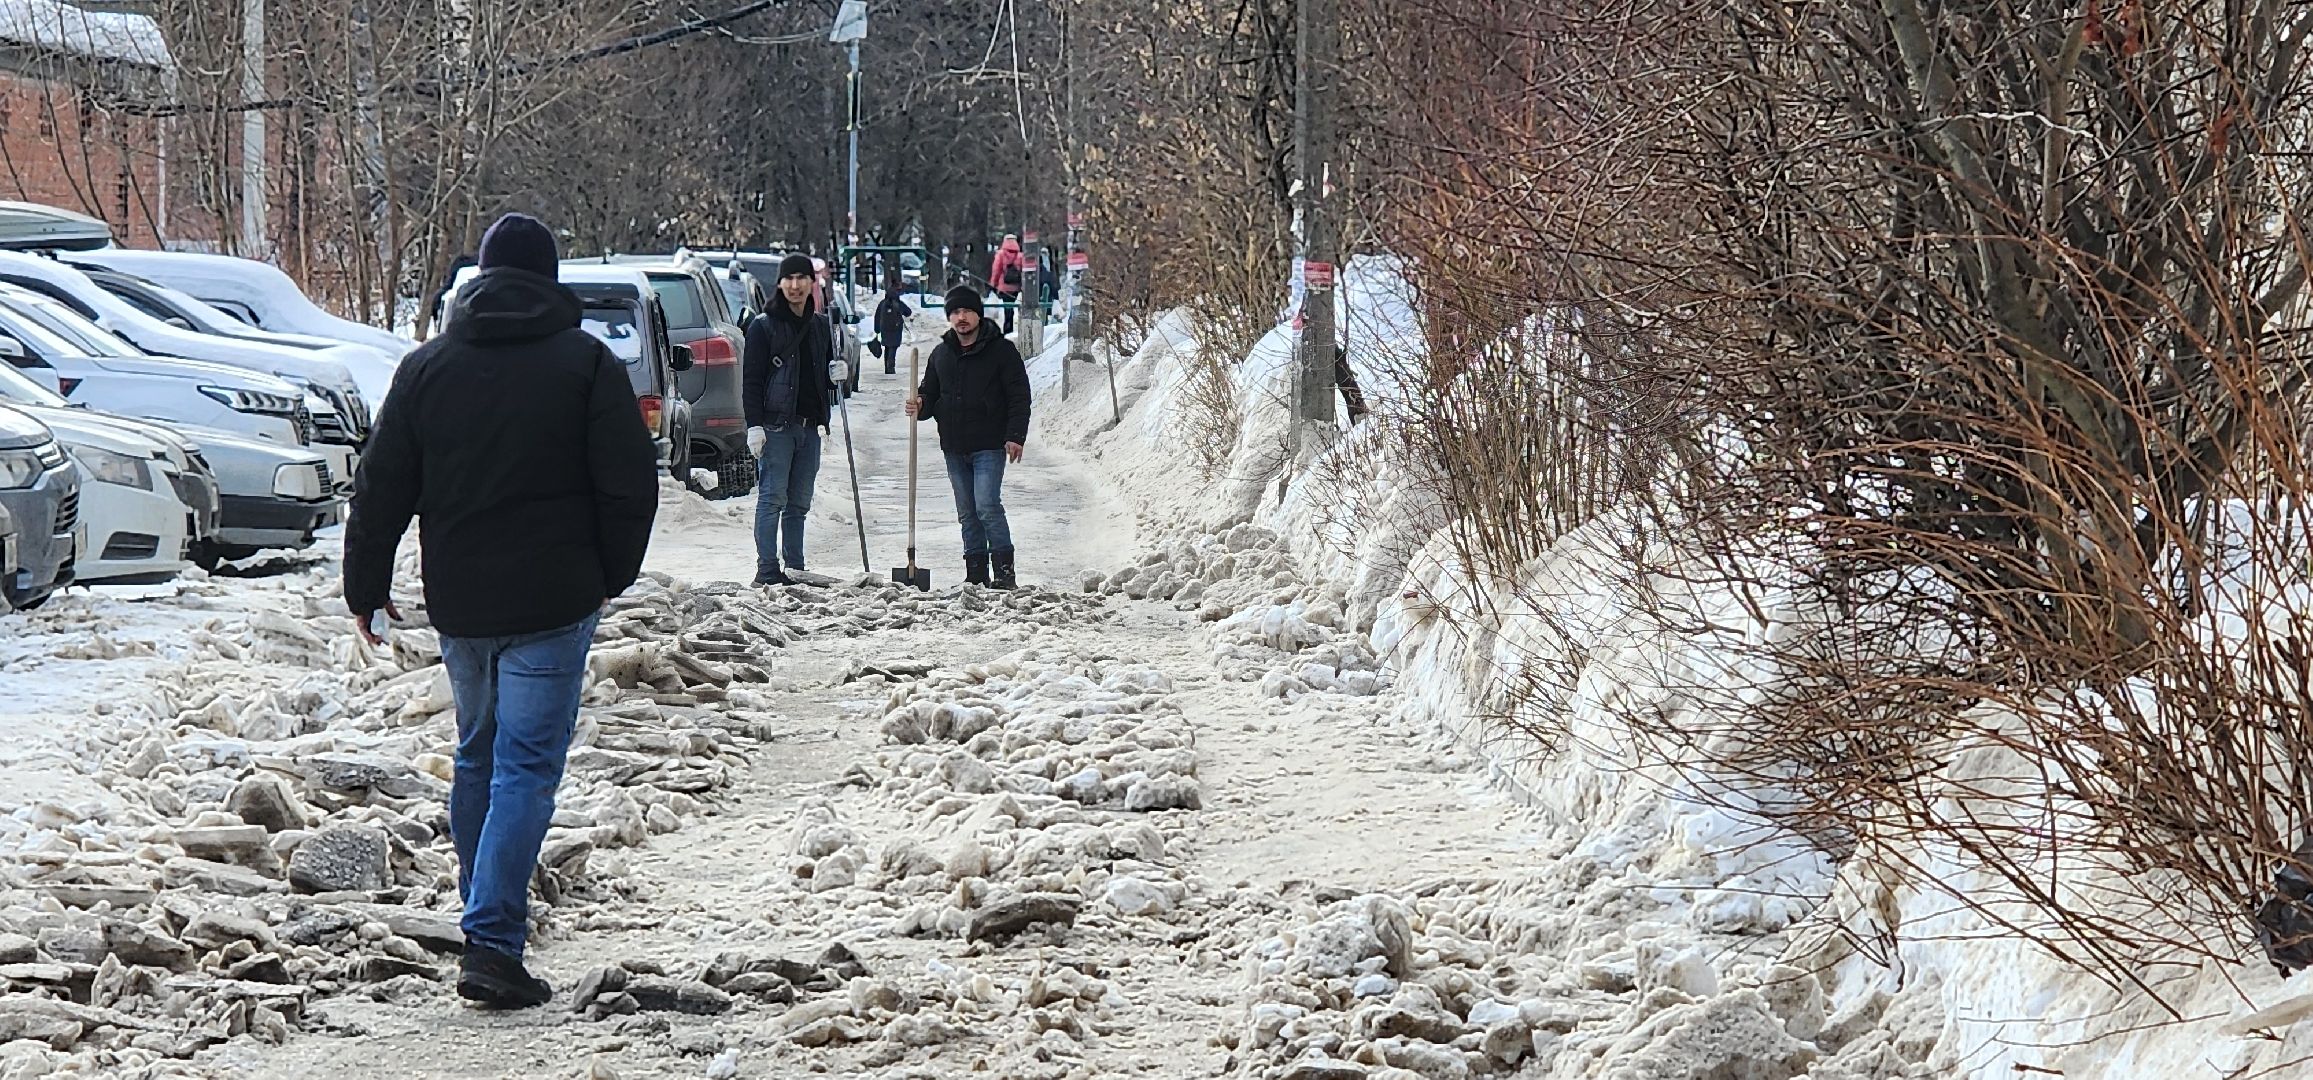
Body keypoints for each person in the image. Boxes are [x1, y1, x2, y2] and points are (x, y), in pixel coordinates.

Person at [343, 212, 659, 1009]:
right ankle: (490, 939)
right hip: (555, 600)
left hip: (462, 602)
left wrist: (365, 586)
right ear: (549, 280)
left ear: (479, 279)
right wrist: (607, 576)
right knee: (525, 766)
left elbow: (381, 490)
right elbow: (629, 482)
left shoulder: (427, 367)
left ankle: (484, 908)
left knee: (478, 752)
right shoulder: (586, 364)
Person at [904, 287, 1031, 588]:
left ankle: (1003, 572)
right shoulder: (941, 353)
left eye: (967, 312)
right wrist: (919, 404)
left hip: (988, 443)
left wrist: (1015, 435)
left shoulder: (1001, 351)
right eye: (955, 313)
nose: (961, 318)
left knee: (987, 505)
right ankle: (975, 573)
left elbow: (1019, 396)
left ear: (978, 314)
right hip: (954, 445)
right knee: (967, 512)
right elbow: (930, 393)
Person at [743, 253, 845, 586]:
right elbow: (752, 381)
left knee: (799, 502)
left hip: (809, 427)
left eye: (802, 278)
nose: (796, 285)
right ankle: (768, 569)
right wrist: (754, 425)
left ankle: (795, 567)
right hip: (775, 427)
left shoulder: (818, 325)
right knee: (773, 497)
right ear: (780, 283)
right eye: (789, 279)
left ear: (811, 283)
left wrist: (836, 374)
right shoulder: (763, 326)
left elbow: (824, 374)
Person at [874, 274, 912, 372]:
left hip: (884, 329)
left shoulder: (883, 303)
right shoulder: (898, 303)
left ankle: (887, 367)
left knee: (887, 347)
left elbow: (877, 316)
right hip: (895, 328)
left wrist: (877, 329)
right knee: (893, 347)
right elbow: (908, 312)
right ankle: (891, 366)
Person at [989, 234, 1024, 335]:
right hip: (1015, 287)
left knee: (1006, 307)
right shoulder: (1020, 256)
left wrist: (993, 284)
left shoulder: (1000, 254)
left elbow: (996, 270)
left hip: (1004, 287)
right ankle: (1010, 327)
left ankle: (1007, 329)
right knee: (1011, 306)